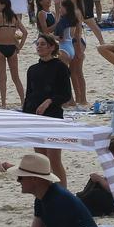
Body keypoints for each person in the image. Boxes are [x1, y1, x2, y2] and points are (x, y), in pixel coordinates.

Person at [22, 34, 72, 184]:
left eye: (43, 44)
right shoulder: (32, 69)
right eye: (37, 44)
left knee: (54, 160)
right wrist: (25, 117)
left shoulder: (60, 67)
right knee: (41, 161)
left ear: (52, 47)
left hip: (53, 117)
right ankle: (46, 192)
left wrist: (49, 101)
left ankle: (64, 194)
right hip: (34, 118)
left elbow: (66, 95)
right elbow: (29, 95)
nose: (39, 46)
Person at [0, 0, 27, 108]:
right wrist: (20, 46)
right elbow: (25, 32)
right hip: (12, 48)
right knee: (15, 77)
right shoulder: (14, 17)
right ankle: (23, 102)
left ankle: (3, 104)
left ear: (3, 5)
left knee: (3, 78)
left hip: (0, 47)